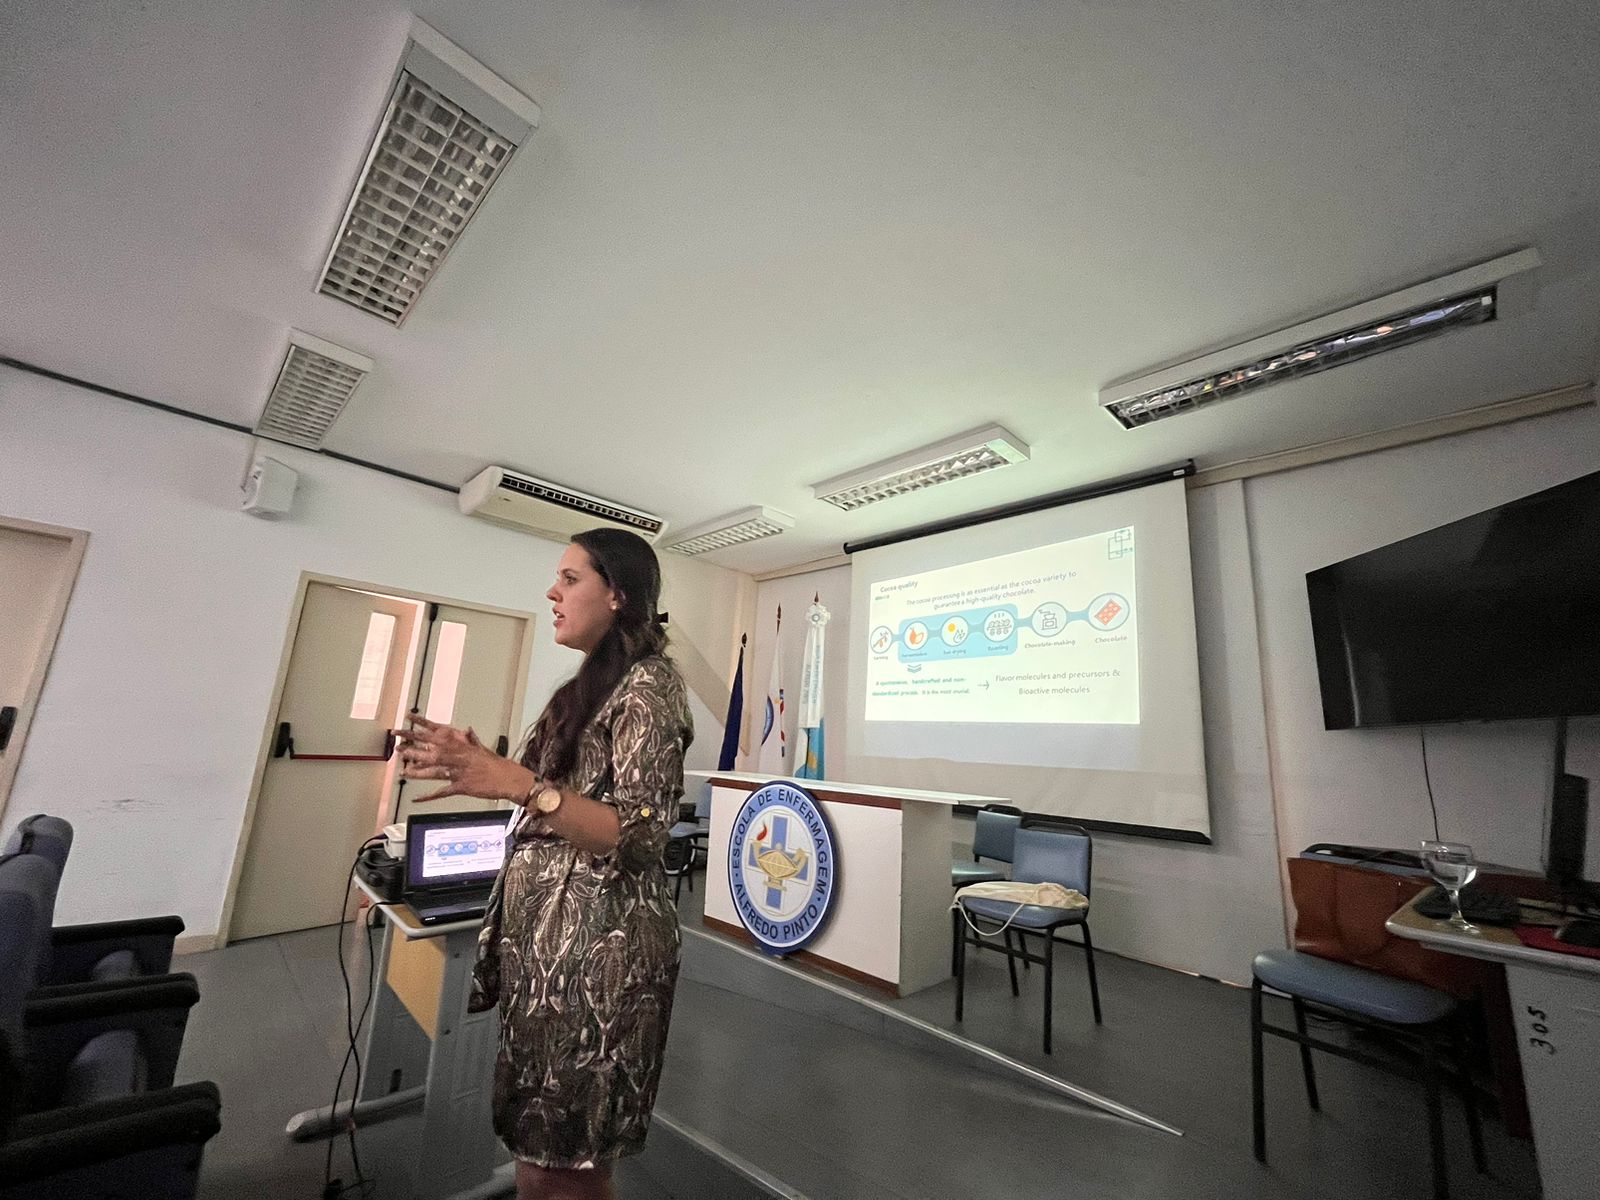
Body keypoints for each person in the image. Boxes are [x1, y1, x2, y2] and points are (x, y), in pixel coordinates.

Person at [394, 528, 692, 1200]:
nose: (552, 593)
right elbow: (554, 796)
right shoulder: (590, 687)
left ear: (617, 594)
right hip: (552, 957)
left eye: (570, 579)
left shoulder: (650, 686)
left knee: (565, 1165)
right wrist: (492, 770)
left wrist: (520, 783)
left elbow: (640, 835)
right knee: (541, 1153)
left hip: (599, 960)